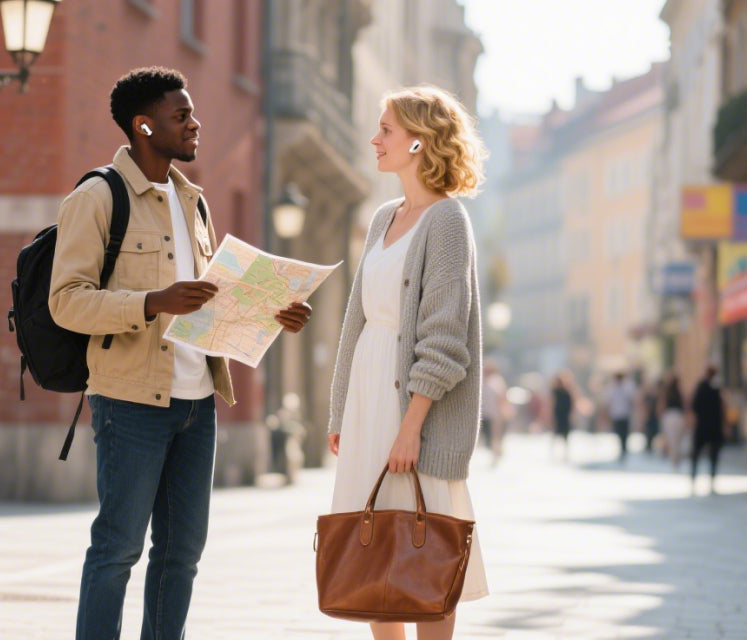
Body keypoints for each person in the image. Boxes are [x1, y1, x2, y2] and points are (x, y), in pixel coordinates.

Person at [50, 67, 313, 640]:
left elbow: (207, 302)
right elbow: (66, 303)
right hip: (130, 400)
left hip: (199, 403)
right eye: (181, 115)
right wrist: (151, 302)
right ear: (144, 126)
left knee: (181, 555)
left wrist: (274, 312)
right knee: (117, 549)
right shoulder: (97, 197)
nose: (196, 124)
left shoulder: (192, 201)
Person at [326, 84, 489, 640]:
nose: (375, 139)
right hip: (368, 406)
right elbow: (358, 322)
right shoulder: (381, 218)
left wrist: (410, 428)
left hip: (413, 413)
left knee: (425, 555)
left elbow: (445, 342)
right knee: (374, 556)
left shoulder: (446, 222)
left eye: (387, 130)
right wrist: (340, 412)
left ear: (420, 142)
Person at [689, 367, 728, 494]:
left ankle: (694, 479)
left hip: (703, 425)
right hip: (713, 425)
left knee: (697, 454)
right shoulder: (715, 389)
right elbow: (722, 408)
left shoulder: (702, 388)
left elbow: (693, 406)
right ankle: (710, 481)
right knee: (713, 455)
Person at [480, 359, 509, 466]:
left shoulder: (496, 380)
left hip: (495, 414)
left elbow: (501, 397)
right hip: (487, 413)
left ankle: (496, 454)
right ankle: (495, 452)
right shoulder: (483, 380)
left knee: (495, 436)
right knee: (490, 436)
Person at [603, 371, 637, 463]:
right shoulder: (611, 388)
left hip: (625, 414)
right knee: (618, 433)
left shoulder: (627, 387)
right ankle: (621, 449)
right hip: (616, 414)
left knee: (625, 433)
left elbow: (632, 399)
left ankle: (624, 449)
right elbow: (608, 401)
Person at [658, 372, 686, 469]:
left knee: (672, 439)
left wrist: (661, 418)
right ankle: (676, 458)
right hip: (678, 416)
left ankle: (674, 459)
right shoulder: (679, 391)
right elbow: (685, 404)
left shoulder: (666, 392)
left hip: (670, 417)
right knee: (677, 440)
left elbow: (662, 406)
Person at [549, 370, 576, 462]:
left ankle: (565, 452)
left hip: (564, 414)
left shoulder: (567, 391)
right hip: (559, 414)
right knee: (556, 433)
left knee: (565, 434)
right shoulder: (555, 391)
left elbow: (572, 402)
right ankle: (553, 451)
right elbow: (552, 403)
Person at [640, 372, 661, 456]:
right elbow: (643, 405)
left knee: (654, 431)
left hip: (654, 416)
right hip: (649, 416)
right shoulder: (647, 396)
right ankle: (648, 447)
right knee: (649, 431)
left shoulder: (656, 395)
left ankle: (651, 446)